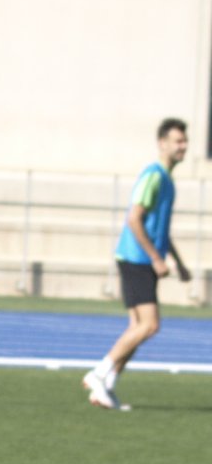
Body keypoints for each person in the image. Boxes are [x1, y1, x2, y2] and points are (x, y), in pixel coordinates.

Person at [83, 117, 192, 410]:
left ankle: (106, 388)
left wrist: (178, 262)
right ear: (162, 143)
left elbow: (160, 229)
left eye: (185, 141)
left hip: (145, 259)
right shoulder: (154, 176)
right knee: (150, 325)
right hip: (136, 259)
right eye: (177, 141)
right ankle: (98, 372)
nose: (183, 146)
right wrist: (156, 258)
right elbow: (134, 219)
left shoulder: (167, 180)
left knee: (137, 327)